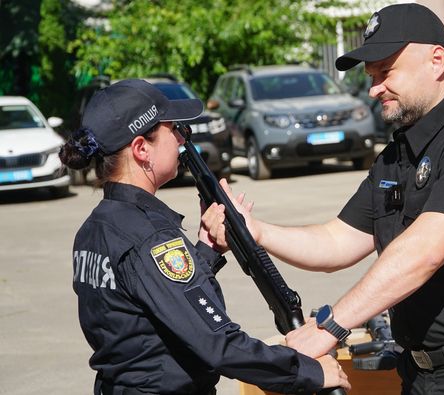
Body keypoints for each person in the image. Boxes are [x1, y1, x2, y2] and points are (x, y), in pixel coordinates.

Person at [203, 4, 444, 394]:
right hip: (420, 374)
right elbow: (337, 241)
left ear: (436, 61)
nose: (374, 88)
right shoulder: (398, 156)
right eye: (371, 76)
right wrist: (256, 232)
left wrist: (330, 326)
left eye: (386, 72)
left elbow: (425, 252)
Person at [59, 79, 350, 395]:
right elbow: (219, 344)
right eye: (174, 130)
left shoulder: (94, 228)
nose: (182, 139)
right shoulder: (152, 237)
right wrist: (310, 371)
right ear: (142, 149)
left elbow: (152, 306)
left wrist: (206, 250)